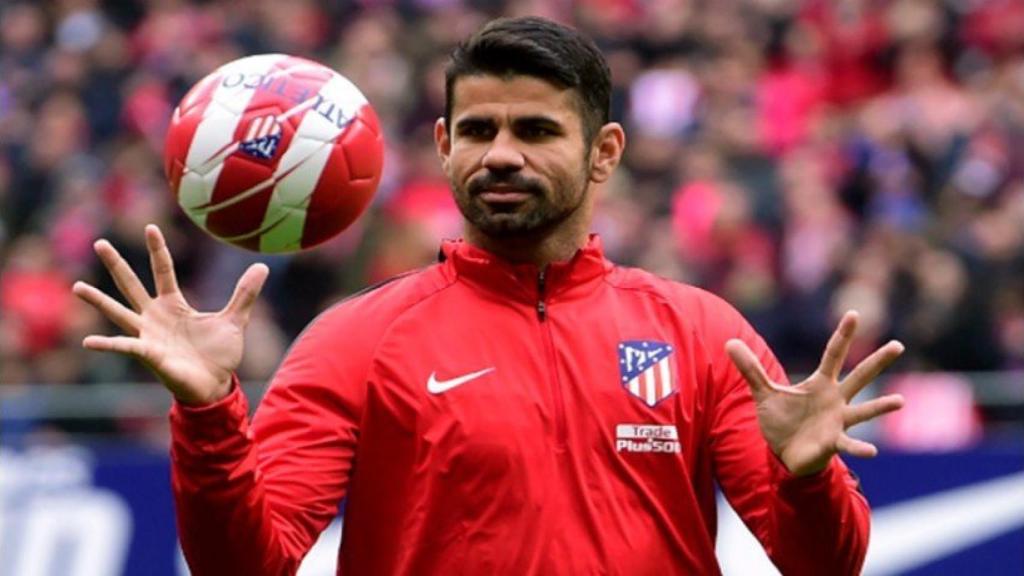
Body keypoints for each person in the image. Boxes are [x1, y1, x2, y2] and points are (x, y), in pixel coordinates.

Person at [73, 16, 905, 576]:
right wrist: (211, 413)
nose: (500, 154)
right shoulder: (355, 339)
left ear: (605, 151)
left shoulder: (697, 331)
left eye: (537, 131)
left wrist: (806, 480)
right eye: (478, 131)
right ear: (442, 145)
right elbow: (247, 565)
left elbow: (825, 564)